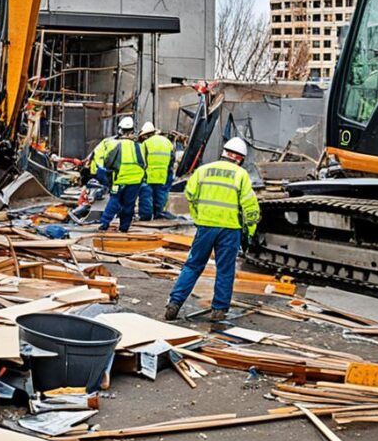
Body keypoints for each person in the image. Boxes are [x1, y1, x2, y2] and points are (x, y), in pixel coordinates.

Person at [164, 137, 260, 323]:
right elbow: (250, 208)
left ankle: (174, 303)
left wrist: (199, 217)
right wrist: (250, 231)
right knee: (225, 270)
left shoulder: (203, 170)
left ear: (223, 153)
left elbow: (190, 194)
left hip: (206, 226)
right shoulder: (240, 175)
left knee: (192, 266)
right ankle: (219, 311)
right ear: (240, 159)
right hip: (230, 229)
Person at [98, 116, 146, 233]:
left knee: (114, 201)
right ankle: (124, 227)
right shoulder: (139, 146)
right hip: (135, 180)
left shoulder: (114, 144)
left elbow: (108, 162)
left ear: (120, 130)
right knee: (129, 205)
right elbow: (144, 163)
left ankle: (104, 223)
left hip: (119, 179)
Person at [137, 122, 174, 221]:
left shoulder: (146, 144)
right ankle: (159, 215)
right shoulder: (167, 142)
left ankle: (146, 217)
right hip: (163, 175)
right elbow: (172, 160)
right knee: (161, 196)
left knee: (146, 197)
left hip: (149, 176)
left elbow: (141, 161)